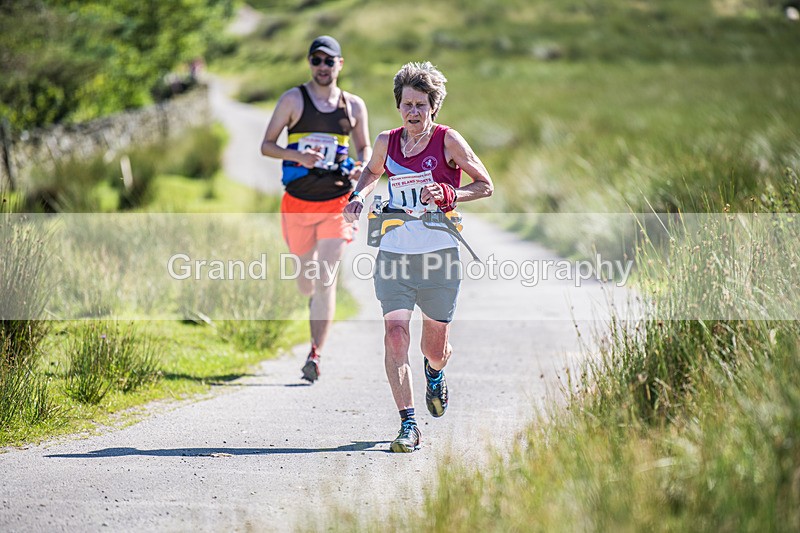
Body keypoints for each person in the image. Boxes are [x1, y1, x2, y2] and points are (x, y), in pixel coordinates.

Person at [343, 61, 493, 452]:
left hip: (439, 256)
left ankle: (435, 373)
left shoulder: (448, 141)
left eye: (421, 106)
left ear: (433, 108)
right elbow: (371, 172)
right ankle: (408, 424)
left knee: (434, 348)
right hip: (394, 254)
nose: (413, 112)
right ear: (398, 105)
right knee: (395, 335)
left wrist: (450, 194)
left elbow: (485, 185)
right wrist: (358, 195)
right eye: (407, 104)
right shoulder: (386, 141)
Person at [261, 36, 371, 382]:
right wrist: (298, 156)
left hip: (337, 203)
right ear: (310, 63)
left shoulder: (353, 106)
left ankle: (315, 354)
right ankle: (310, 303)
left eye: (329, 61)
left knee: (326, 279)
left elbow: (365, 147)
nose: (322, 67)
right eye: (316, 60)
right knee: (306, 282)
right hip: (297, 203)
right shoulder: (293, 99)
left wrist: (360, 167)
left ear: (340, 64)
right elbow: (267, 145)